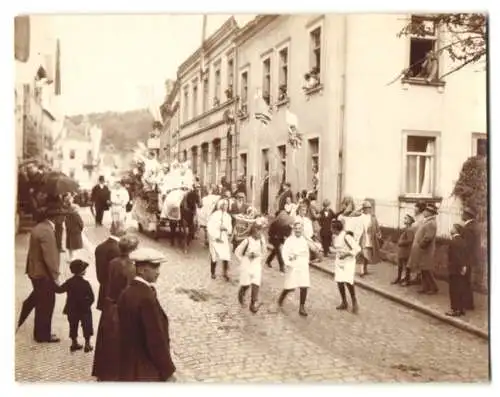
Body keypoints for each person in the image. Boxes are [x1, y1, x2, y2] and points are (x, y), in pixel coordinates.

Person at [117, 247, 176, 382]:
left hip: (129, 365)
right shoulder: (146, 297)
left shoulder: (127, 292)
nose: (158, 272)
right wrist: (167, 371)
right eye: (155, 268)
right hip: (146, 367)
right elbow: (155, 338)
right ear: (142, 270)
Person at [92, 234, 139, 381]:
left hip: (110, 305)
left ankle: (105, 372)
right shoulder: (131, 267)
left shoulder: (113, 262)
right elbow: (130, 291)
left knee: (107, 342)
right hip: (122, 309)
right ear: (133, 250)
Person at [24, 208, 61, 343]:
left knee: (41, 304)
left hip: (35, 271)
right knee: (46, 305)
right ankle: (43, 335)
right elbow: (50, 256)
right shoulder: (47, 231)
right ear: (55, 218)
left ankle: (39, 333)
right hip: (43, 274)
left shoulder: (39, 227)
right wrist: (56, 276)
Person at [57, 259, 94, 352]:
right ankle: (87, 344)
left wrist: (53, 282)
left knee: (73, 325)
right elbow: (92, 297)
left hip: (71, 309)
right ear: (82, 271)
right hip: (84, 309)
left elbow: (59, 290)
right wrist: (87, 304)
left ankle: (74, 343)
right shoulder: (86, 284)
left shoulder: (69, 282)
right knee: (87, 325)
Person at [277, 217, 311, 317]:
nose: (298, 230)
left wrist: (306, 262)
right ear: (293, 229)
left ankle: (302, 307)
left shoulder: (304, 240)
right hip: (293, 266)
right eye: (296, 228)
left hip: (303, 266)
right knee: (290, 286)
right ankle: (281, 297)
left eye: (299, 228)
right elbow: (284, 252)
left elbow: (306, 253)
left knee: (304, 285)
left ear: (302, 229)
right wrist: (288, 261)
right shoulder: (289, 240)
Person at [235, 219, 267, 313]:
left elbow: (264, 252)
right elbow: (237, 252)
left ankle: (253, 304)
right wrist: (243, 259)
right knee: (246, 283)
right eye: (257, 230)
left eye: (260, 230)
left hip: (256, 263)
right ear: (253, 231)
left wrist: (259, 258)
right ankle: (241, 292)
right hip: (247, 263)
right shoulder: (247, 241)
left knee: (256, 282)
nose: (259, 233)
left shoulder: (262, 241)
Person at [94, 221, 126, 312]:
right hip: (115, 293)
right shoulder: (118, 249)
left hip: (104, 289)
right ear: (122, 232)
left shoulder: (100, 247)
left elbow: (100, 273)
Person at [408, 203, 439, 294]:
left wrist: (420, 245)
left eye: (426, 211)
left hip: (426, 250)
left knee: (427, 269)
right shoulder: (427, 221)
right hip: (423, 250)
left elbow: (428, 238)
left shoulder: (431, 223)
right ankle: (425, 287)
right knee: (423, 269)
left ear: (431, 213)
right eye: (425, 210)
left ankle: (434, 288)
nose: (424, 212)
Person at [331, 219, 361, 313]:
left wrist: (346, 254)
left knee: (348, 281)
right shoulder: (335, 236)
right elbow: (339, 248)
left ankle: (354, 301)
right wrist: (333, 251)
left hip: (348, 262)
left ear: (336, 229)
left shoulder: (346, 236)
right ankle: (344, 302)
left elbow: (357, 249)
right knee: (339, 281)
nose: (331, 229)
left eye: (332, 228)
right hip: (339, 262)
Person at [207, 199, 233, 281]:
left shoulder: (228, 216)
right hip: (215, 238)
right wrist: (215, 234)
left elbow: (230, 229)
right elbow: (210, 226)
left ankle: (225, 273)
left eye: (227, 205)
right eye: (225, 205)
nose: (226, 207)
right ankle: (213, 272)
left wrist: (226, 229)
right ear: (221, 206)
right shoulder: (214, 215)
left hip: (224, 238)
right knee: (214, 255)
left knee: (225, 255)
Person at [461, 206, 481, 311]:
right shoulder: (473, 226)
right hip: (471, 258)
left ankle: (468, 304)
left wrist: (463, 262)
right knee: (467, 281)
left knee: (465, 281)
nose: (461, 215)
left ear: (468, 216)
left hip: (467, 258)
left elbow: (466, 247)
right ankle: (468, 303)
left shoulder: (469, 228)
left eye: (463, 213)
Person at [446, 224, 468, 317]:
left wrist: (458, 266)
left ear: (456, 230)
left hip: (454, 269)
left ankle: (455, 309)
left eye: (452, 228)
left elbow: (455, 257)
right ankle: (461, 308)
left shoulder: (453, 241)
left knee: (453, 289)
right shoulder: (463, 241)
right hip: (461, 268)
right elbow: (465, 255)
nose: (451, 229)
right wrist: (464, 266)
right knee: (461, 289)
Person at [358, 200, 382, 277]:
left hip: (371, 238)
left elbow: (377, 227)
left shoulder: (373, 217)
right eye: (366, 208)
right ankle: (361, 270)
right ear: (363, 208)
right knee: (362, 254)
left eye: (369, 208)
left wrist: (378, 233)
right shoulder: (360, 217)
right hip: (362, 237)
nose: (368, 209)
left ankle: (365, 268)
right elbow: (357, 227)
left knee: (367, 254)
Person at [394, 214, 416, 285]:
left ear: (410, 221)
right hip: (402, 250)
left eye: (406, 219)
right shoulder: (406, 229)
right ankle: (399, 278)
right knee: (400, 265)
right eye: (405, 218)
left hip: (406, 250)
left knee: (406, 266)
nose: (404, 220)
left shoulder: (410, 230)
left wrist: (401, 242)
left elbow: (410, 240)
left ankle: (406, 280)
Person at [64, 193, 84, 262]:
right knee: (75, 246)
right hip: (76, 231)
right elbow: (81, 223)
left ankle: (70, 258)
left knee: (70, 246)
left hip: (69, 231)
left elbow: (66, 222)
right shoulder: (76, 215)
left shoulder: (67, 213)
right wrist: (81, 228)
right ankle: (73, 258)